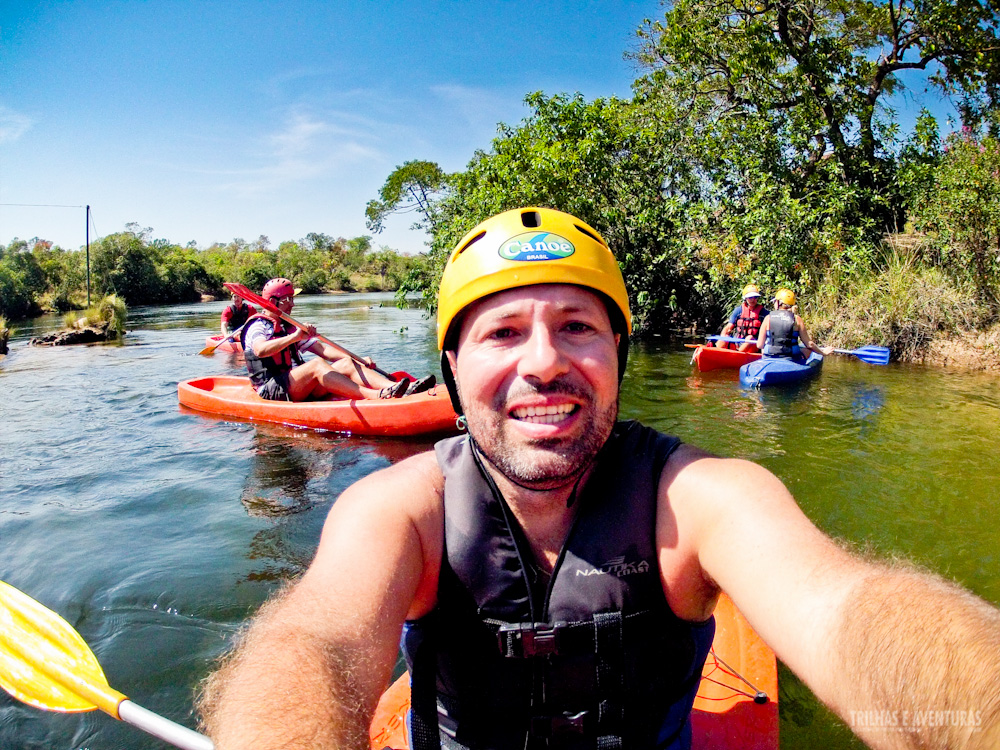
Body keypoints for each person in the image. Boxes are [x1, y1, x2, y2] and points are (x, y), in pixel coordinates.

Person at [200, 209, 1000, 750]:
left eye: (578, 327)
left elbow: (848, 612)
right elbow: (316, 643)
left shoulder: (698, 497)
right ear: (451, 367)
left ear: (618, 353)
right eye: (504, 332)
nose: (544, 362)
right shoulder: (402, 508)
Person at [240, 277, 434, 402]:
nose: (292, 304)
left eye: (292, 298)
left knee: (347, 363)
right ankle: (377, 396)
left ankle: (395, 388)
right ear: (273, 302)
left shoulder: (287, 324)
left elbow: (323, 350)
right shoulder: (258, 326)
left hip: (296, 384)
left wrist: (358, 359)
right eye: (288, 299)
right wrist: (295, 337)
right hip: (271, 389)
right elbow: (260, 350)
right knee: (316, 365)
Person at [755, 288, 833, 360]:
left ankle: (766, 361)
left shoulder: (768, 318)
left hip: (770, 356)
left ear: (779, 303)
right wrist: (823, 352)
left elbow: (759, 345)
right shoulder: (797, 319)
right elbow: (809, 344)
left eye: (775, 301)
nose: (774, 303)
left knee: (765, 347)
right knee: (808, 350)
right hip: (791, 357)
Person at [715, 283, 767, 351]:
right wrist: (724, 334)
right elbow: (729, 327)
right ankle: (715, 351)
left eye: (755, 297)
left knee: (750, 338)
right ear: (745, 298)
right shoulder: (738, 310)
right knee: (725, 336)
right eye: (750, 297)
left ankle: (737, 356)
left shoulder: (764, 313)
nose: (753, 300)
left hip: (754, 344)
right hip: (738, 342)